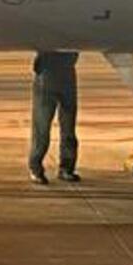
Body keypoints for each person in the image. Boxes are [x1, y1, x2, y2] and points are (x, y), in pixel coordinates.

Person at [28, 50, 80, 184]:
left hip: (65, 73)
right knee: (42, 128)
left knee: (68, 127)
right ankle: (36, 167)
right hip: (48, 75)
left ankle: (66, 168)